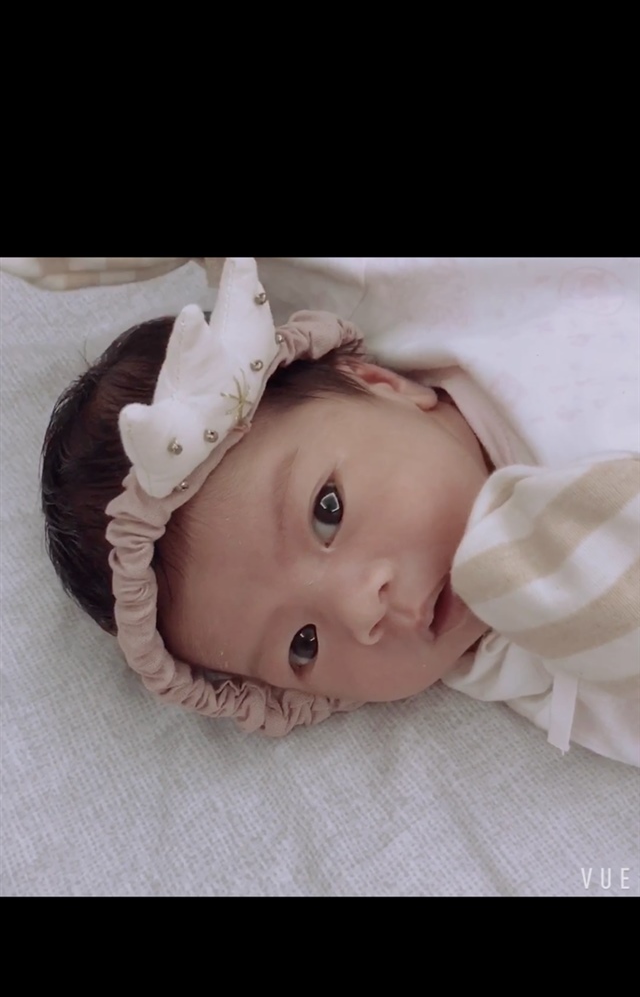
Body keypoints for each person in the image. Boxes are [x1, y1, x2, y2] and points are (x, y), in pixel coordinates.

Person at [22, 258, 640, 761]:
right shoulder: (534, 668)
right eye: (303, 646)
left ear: (380, 384)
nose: (359, 611)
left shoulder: (420, 311)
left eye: (328, 510)